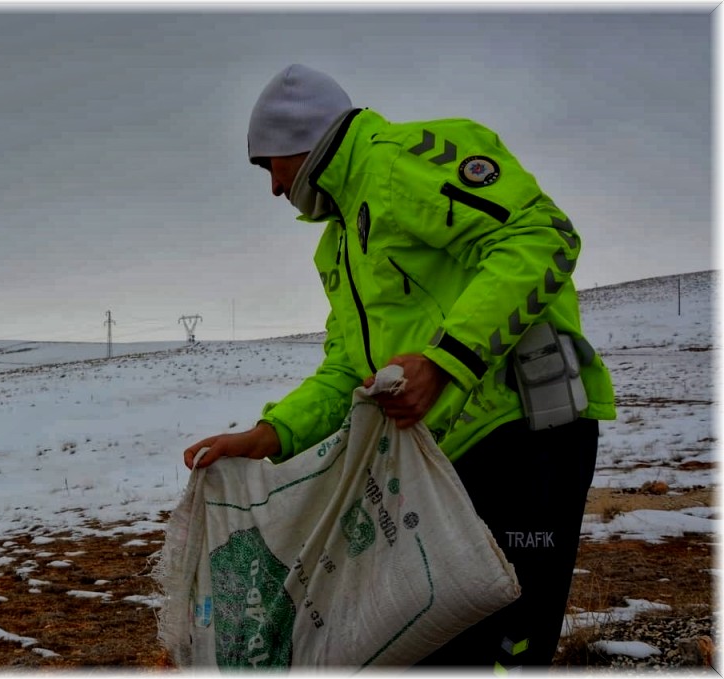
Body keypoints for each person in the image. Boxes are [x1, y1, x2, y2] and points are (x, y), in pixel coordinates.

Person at [182, 64, 616, 670]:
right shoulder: (338, 245)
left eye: (269, 166)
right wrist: (270, 435)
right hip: (442, 460)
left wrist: (446, 361)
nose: (275, 189)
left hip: (522, 435)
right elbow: (346, 369)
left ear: (298, 142)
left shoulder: (402, 161)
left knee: (503, 648)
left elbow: (544, 237)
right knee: (436, 647)